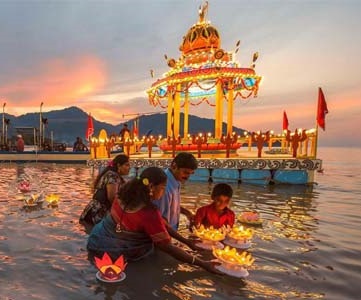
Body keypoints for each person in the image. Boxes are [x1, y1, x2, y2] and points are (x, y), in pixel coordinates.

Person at [87, 167, 222, 274]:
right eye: (163, 187)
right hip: (117, 252)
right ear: (151, 187)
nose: (163, 192)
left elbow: (162, 224)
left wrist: (187, 242)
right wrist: (202, 264)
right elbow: (167, 247)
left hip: (97, 239)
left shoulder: (123, 194)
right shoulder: (149, 213)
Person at [79, 154, 130, 225]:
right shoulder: (112, 176)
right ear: (119, 165)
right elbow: (112, 197)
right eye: (127, 165)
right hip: (97, 212)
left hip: (95, 210)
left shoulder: (113, 175)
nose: (129, 168)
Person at [154, 152, 198, 231]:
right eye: (185, 172)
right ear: (174, 166)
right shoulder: (164, 188)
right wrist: (186, 242)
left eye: (191, 174)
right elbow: (159, 221)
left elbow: (170, 207)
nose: (187, 177)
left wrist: (187, 213)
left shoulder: (176, 180)